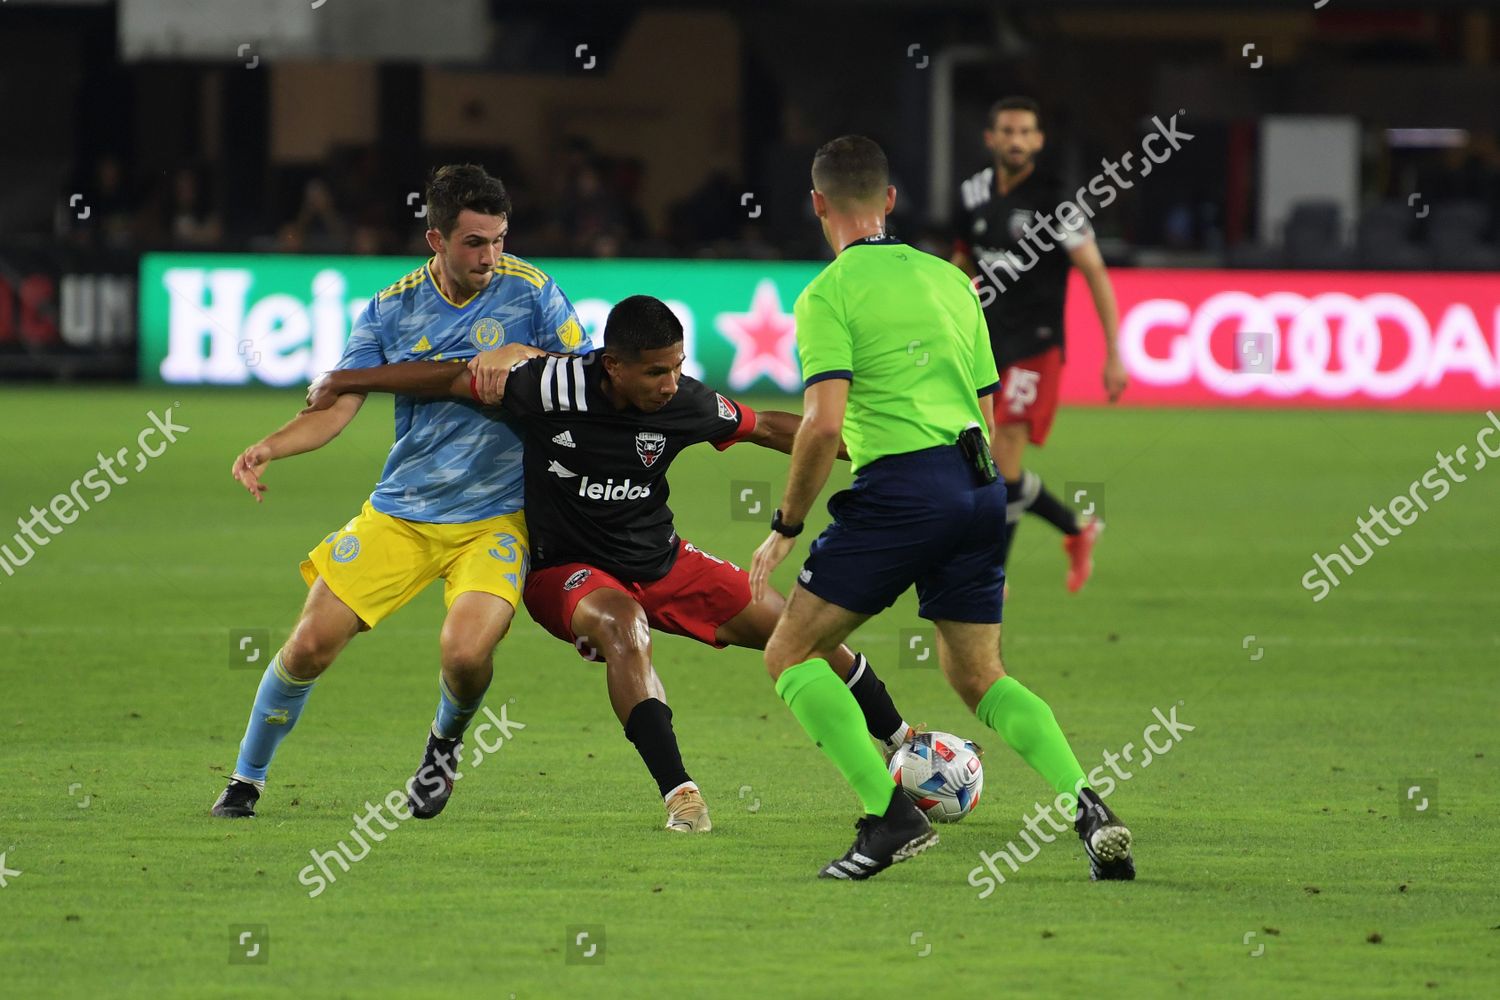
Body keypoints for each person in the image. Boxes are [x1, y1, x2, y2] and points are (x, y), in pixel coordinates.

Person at [305, 294, 917, 832]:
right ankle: (681, 795)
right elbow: (446, 379)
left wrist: (875, 449)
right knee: (625, 626)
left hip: (661, 560)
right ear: (613, 365)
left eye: (677, 366)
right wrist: (349, 378)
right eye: (655, 372)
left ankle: (903, 743)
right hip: (563, 571)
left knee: (798, 631)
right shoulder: (549, 387)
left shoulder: (686, 402)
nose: (670, 383)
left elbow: (771, 429)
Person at [749, 135, 1134, 881]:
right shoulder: (954, 282)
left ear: (818, 204)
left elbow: (824, 425)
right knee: (979, 678)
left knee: (788, 653)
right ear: (890, 201)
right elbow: (985, 411)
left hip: (902, 495)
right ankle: (1088, 806)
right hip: (978, 486)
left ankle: (888, 818)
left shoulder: (826, 295)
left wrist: (785, 528)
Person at [210, 164, 586, 820]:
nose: (491, 257)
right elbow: (337, 401)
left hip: (496, 518)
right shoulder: (392, 307)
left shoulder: (533, 292)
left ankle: (444, 743)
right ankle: (245, 780)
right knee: (307, 645)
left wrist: (525, 353)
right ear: (435, 241)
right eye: (475, 243)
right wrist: (271, 444)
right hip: (403, 512)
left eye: (499, 240)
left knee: (466, 653)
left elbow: (590, 374)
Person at [950, 97, 1128, 591]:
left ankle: (992, 574)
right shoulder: (972, 192)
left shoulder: (1058, 203)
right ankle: (1076, 529)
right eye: (1007, 131)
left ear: (1039, 140)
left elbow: (1094, 270)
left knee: (1003, 451)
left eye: (1026, 132)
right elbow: (962, 260)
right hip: (984, 341)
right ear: (990, 138)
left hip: (1037, 343)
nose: (1016, 140)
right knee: (983, 454)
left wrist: (1114, 351)